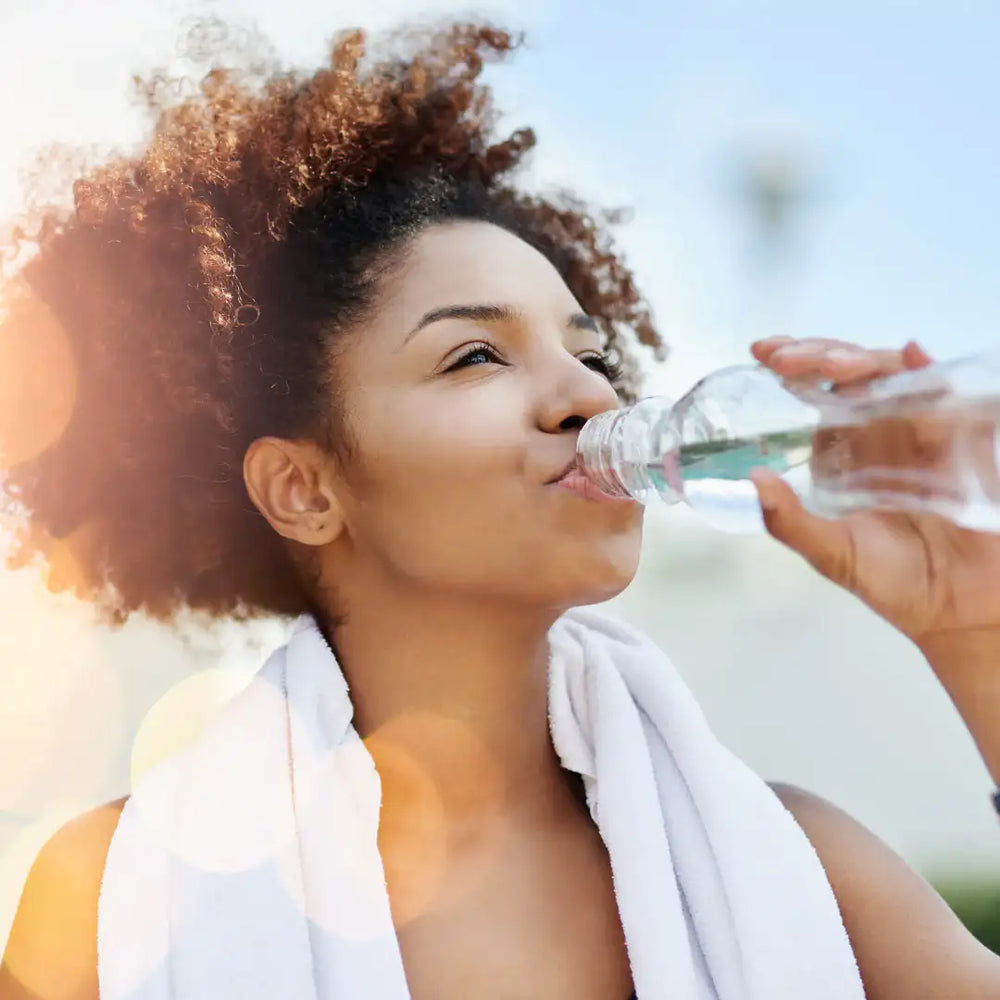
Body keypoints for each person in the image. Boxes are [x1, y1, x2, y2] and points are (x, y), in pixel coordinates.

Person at [1, 18, 1000, 1000]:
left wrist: (976, 636)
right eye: (475, 354)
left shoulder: (805, 869)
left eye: (592, 354)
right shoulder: (108, 902)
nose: (590, 397)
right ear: (305, 489)